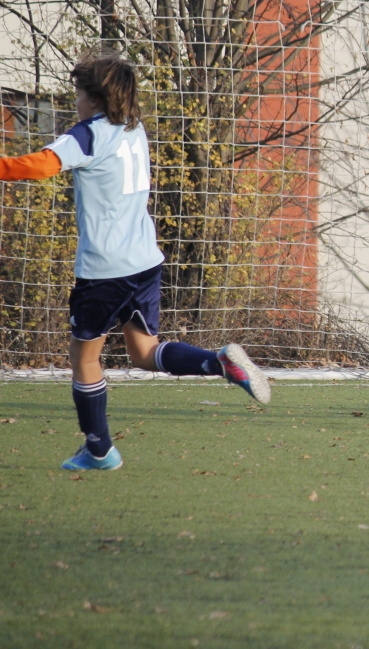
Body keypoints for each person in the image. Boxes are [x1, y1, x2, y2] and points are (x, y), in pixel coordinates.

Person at [0, 49, 271, 471]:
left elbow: (38, 167)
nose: (75, 100)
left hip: (104, 270)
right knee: (144, 351)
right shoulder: (133, 129)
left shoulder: (88, 134)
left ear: (94, 97)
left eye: (78, 92)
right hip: (144, 261)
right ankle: (216, 361)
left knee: (85, 358)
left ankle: (99, 450)